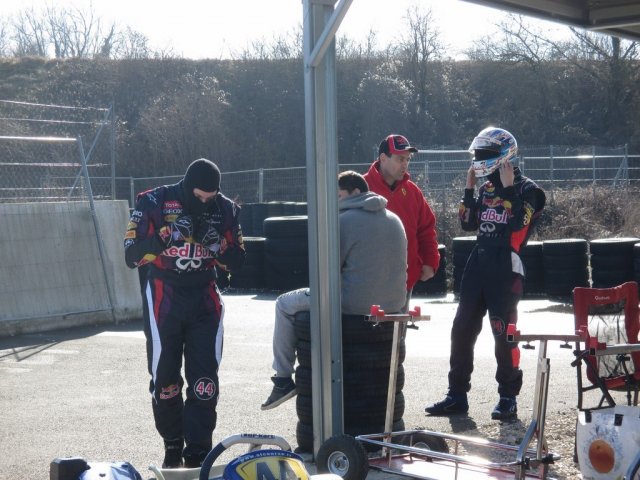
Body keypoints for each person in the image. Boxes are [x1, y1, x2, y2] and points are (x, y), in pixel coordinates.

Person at [124, 158, 245, 468]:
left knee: (205, 378)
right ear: (188, 187)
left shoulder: (227, 209)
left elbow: (238, 261)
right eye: (199, 197)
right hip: (164, 296)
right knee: (164, 377)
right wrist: (169, 234)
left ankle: (199, 449)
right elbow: (132, 255)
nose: (205, 203)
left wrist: (215, 244)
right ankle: (172, 444)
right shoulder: (152, 201)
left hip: (205, 298)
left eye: (211, 197)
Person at [425, 127, 545, 420]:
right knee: (461, 329)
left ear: (505, 155)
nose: (479, 160)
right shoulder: (484, 188)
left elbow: (519, 224)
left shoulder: (530, 190)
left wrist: (506, 189)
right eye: (477, 154)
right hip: (478, 264)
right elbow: (467, 224)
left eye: (484, 155)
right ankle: (456, 395)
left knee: (504, 335)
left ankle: (508, 397)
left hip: (506, 267)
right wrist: (468, 190)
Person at [261, 170, 407, 410]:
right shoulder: (394, 218)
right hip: (394, 305)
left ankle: (282, 379)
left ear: (356, 192)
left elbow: (325, 273)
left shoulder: (343, 221)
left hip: (353, 304)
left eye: (338, 195)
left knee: (284, 304)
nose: (335, 201)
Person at [364, 134, 440, 307]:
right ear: (383, 158)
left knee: (399, 333)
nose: (405, 164)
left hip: (404, 280)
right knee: (370, 332)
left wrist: (430, 261)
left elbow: (426, 229)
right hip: (368, 281)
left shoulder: (413, 192)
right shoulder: (362, 188)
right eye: (400, 159)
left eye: (407, 159)